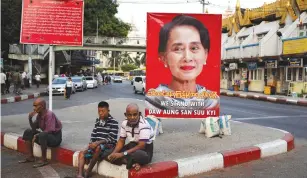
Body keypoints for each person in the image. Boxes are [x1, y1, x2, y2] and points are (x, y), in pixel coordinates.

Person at [145, 14, 219, 111]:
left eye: (194, 48)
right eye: (178, 49)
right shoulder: (151, 102)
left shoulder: (213, 102)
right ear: (163, 57)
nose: (187, 58)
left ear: (205, 55)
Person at [76, 101, 119, 178]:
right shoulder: (98, 121)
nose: (101, 113)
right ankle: (79, 175)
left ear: (108, 111)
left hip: (108, 147)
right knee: (82, 153)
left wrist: (98, 143)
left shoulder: (114, 122)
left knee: (98, 148)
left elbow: (111, 138)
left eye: (103, 111)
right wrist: (90, 144)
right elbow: (93, 135)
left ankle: (87, 172)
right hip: (97, 146)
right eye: (99, 111)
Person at [107, 103, 154, 171]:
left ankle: (130, 161)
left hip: (145, 149)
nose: (132, 117)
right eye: (129, 115)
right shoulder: (124, 123)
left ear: (139, 114)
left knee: (139, 155)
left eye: (135, 114)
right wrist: (114, 153)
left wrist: (122, 154)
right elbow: (121, 141)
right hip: (132, 145)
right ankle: (133, 162)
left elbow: (141, 146)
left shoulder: (144, 125)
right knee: (111, 152)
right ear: (126, 115)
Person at [19, 98, 62, 168]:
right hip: (46, 136)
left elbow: (49, 130)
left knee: (42, 134)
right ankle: (30, 157)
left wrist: (37, 135)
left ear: (41, 106)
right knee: (28, 132)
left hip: (55, 138)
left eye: (35, 106)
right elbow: (33, 129)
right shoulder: (39, 115)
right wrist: (30, 119)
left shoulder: (49, 114)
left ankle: (44, 160)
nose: (34, 108)